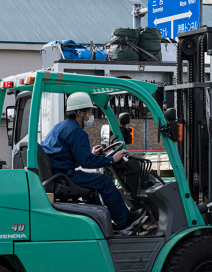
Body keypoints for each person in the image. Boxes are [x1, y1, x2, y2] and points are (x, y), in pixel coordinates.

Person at [40, 92, 146, 234]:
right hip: (64, 176)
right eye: (89, 112)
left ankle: (99, 224)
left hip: (57, 173)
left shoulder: (61, 127)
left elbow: (68, 156)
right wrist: (111, 159)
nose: (91, 115)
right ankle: (125, 222)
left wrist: (92, 154)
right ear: (79, 112)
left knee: (93, 186)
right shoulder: (77, 132)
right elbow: (86, 163)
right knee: (104, 181)